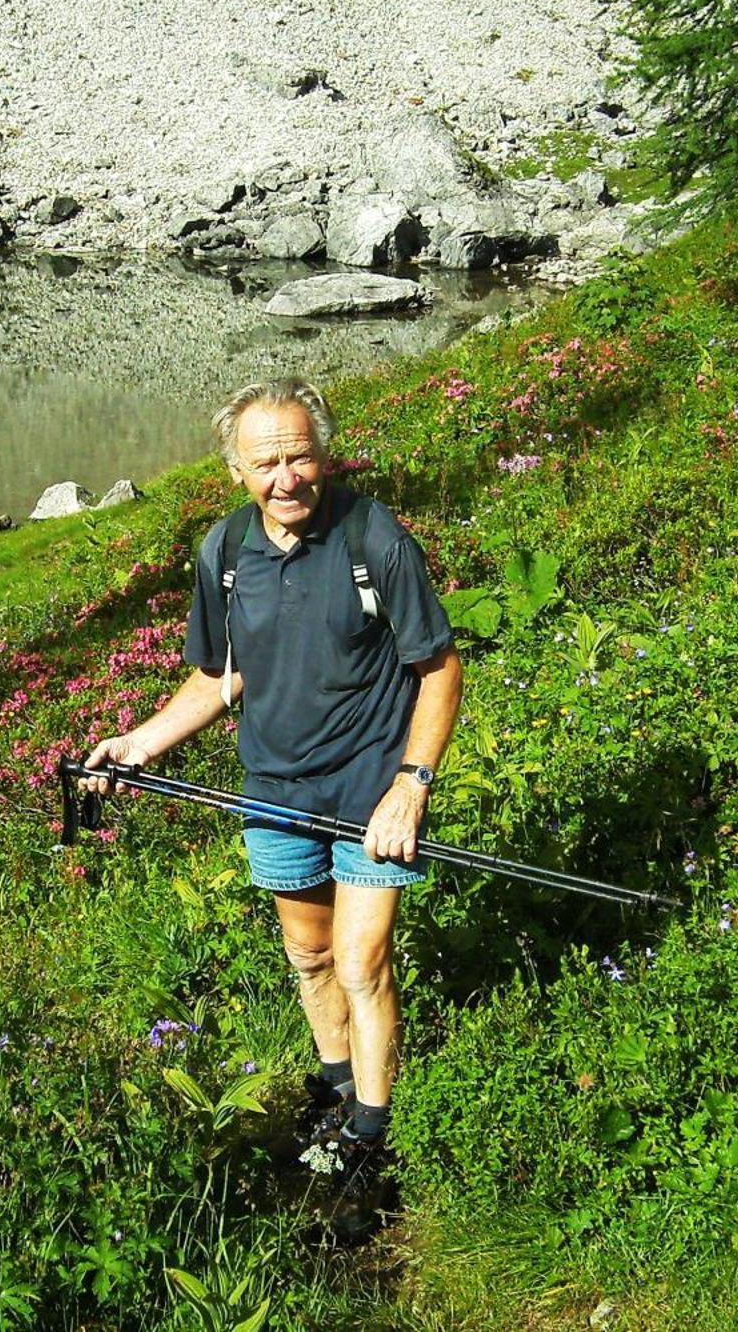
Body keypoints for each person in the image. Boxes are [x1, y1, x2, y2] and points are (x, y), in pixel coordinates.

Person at [83, 376, 463, 1200]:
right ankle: (335, 1088)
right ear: (237, 472)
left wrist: (412, 786)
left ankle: (373, 1135)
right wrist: (136, 745)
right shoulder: (224, 554)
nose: (286, 478)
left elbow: (438, 666)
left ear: (324, 456)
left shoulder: (374, 538)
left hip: (371, 788)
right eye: (266, 463)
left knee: (363, 964)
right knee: (311, 954)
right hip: (275, 791)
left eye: (300, 457)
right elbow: (218, 676)